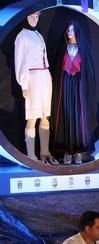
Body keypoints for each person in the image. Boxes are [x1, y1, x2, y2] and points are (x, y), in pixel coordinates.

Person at [14, 11, 57, 164]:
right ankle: (31, 156)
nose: (34, 19)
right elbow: (20, 61)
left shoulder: (38, 34)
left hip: (44, 77)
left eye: (37, 17)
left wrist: (48, 74)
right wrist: (24, 85)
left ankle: (45, 152)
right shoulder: (22, 36)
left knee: (45, 115)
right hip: (32, 78)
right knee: (33, 116)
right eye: (31, 16)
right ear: (25, 17)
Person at [52, 20, 96, 165]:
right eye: (68, 30)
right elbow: (58, 69)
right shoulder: (63, 49)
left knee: (78, 117)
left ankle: (78, 152)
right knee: (66, 115)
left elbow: (89, 71)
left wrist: (83, 86)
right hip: (65, 86)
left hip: (79, 87)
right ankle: (66, 152)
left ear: (77, 31)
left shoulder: (84, 49)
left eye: (71, 30)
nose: (69, 33)